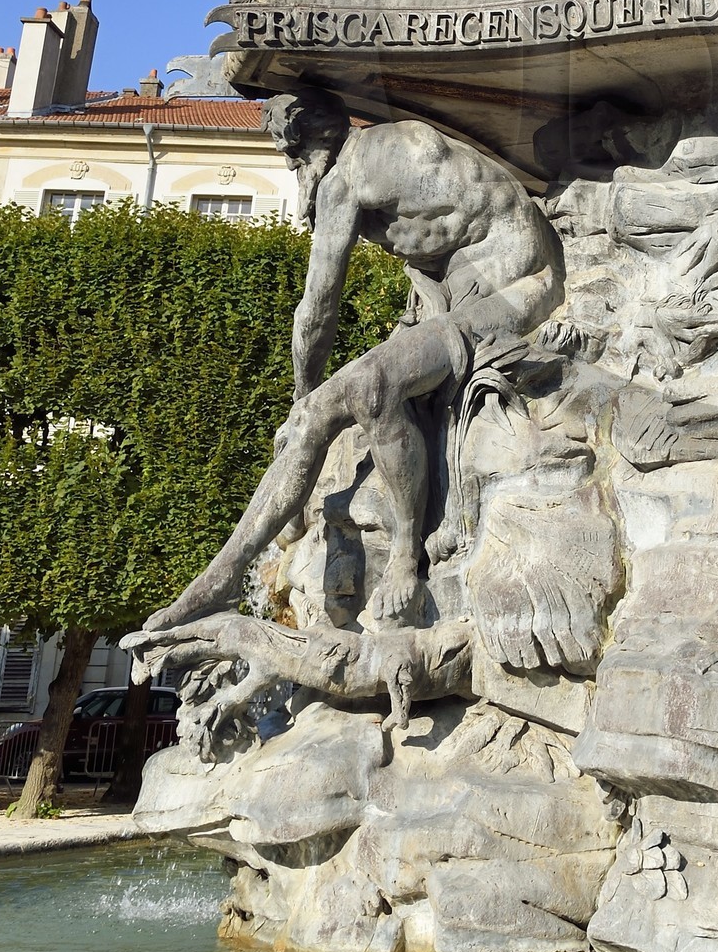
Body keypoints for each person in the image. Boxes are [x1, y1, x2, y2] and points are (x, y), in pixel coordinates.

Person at [139, 87, 563, 634]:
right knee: (324, 412)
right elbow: (444, 236)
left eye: (284, 151)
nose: (291, 169)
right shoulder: (388, 145)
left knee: (370, 384)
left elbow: (318, 308)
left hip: (520, 287)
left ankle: (408, 558)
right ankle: (222, 575)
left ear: (302, 142)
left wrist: (299, 395)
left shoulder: (346, 176)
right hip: (480, 279)